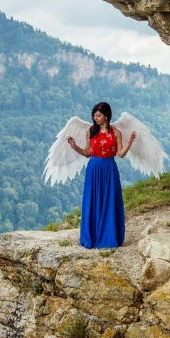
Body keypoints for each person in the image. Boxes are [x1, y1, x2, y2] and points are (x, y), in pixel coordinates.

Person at [66, 102, 137, 249]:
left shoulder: (116, 133)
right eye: (94, 115)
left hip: (109, 168)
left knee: (109, 200)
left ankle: (108, 237)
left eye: (98, 115)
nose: (95, 118)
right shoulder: (90, 132)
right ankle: (92, 236)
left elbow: (121, 154)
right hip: (93, 168)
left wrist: (129, 143)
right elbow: (87, 153)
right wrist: (74, 147)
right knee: (93, 200)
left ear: (106, 116)